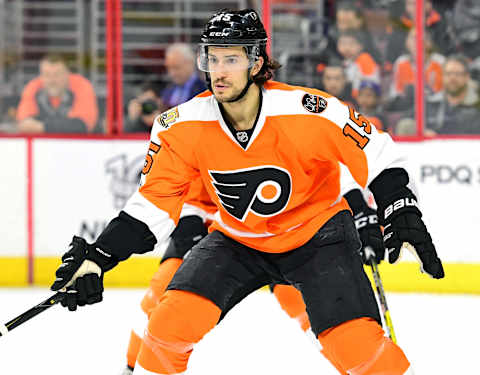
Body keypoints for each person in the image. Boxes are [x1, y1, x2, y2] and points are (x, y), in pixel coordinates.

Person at [50, 9, 443, 375]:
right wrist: (99, 257)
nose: (219, 72)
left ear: (256, 63)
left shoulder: (309, 111)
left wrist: (401, 212)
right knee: (167, 326)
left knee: (358, 349)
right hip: (238, 240)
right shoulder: (180, 125)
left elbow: (379, 154)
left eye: (231, 59)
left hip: (317, 237)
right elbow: (153, 202)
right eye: (213, 59)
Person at [120, 181, 384, 375]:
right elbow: (174, 181)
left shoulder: (278, 119)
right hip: (212, 228)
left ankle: (355, 369)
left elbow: (323, 163)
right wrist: (189, 223)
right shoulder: (198, 125)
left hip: (274, 230)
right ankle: (132, 368)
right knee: (162, 296)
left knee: (313, 308)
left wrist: (357, 207)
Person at [16, 54, 98, 133]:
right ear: (40, 76)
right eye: (47, 75)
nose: (52, 80)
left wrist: (42, 127)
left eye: (57, 74)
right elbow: (25, 124)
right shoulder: (33, 87)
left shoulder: (81, 85)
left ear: (67, 74)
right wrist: (65, 126)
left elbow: (82, 126)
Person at [424, 54, 480, 135]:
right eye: (448, 73)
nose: (452, 78)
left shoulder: (476, 106)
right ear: (442, 76)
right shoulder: (430, 104)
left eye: (457, 73)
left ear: (467, 77)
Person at [160, 43, 206, 109]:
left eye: (176, 67)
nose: (172, 73)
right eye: (168, 68)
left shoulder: (205, 90)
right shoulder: (168, 90)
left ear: (190, 63)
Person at [336, 30, 381, 99]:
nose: (347, 48)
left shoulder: (365, 59)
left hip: (364, 98)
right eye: (343, 44)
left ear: (361, 46)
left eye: (351, 44)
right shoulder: (344, 62)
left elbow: (371, 81)